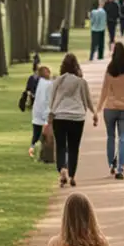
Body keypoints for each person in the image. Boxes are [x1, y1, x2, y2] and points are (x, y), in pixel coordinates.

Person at [98, 38, 124, 178]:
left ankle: (111, 164)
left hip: (109, 108)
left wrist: (97, 109)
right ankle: (120, 167)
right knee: (123, 137)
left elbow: (104, 92)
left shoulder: (109, 73)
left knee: (110, 136)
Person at [50, 52, 93, 187]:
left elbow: (52, 98)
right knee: (74, 147)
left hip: (60, 115)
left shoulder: (58, 80)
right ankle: (72, 175)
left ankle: (62, 168)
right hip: (77, 117)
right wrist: (94, 112)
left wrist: (51, 113)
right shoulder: (81, 82)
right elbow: (87, 99)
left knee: (61, 146)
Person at [29, 62, 53, 157]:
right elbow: (45, 100)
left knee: (36, 134)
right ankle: (37, 151)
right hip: (43, 113)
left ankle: (32, 150)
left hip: (37, 113)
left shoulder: (41, 83)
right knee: (42, 135)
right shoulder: (46, 84)